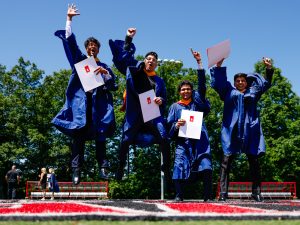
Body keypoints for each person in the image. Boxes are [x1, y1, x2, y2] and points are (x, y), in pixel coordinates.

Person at [52, 4, 118, 184]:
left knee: (101, 137)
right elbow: (71, 44)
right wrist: (69, 19)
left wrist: (107, 76)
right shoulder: (80, 62)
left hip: (100, 107)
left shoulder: (104, 66)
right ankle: (76, 170)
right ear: (86, 48)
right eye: (89, 46)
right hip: (81, 105)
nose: (92, 48)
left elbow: (114, 86)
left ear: (98, 49)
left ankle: (103, 168)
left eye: (95, 46)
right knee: (78, 138)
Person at [109, 28, 171, 182]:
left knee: (164, 136)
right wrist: (128, 39)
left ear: (156, 64)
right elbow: (124, 58)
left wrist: (161, 100)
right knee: (125, 140)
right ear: (144, 60)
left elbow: (164, 98)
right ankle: (120, 168)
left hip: (152, 114)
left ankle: (166, 169)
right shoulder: (135, 70)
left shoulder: (160, 81)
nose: (151, 61)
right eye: (148, 58)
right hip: (135, 113)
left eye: (154, 60)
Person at [210, 57, 274, 202]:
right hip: (231, 130)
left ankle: (256, 192)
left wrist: (268, 69)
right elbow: (218, 83)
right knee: (226, 161)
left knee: (254, 161)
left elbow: (266, 84)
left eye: (243, 80)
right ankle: (223, 193)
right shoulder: (228, 92)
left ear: (247, 82)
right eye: (237, 81)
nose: (240, 82)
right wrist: (219, 65)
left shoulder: (253, 92)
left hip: (250, 129)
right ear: (234, 83)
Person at [167, 50, 212, 201]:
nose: (186, 91)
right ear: (179, 92)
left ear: (192, 91)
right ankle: (179, 196)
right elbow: (169, 129)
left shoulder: (197, 103)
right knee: (179, 164)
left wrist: (199, 63)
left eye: (188, 89)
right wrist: (176, 125)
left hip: (200, 140)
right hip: (183, 142)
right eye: (183, 89)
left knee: (206, 165)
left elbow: (202, 86)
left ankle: (207, 196)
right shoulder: (175, 107)